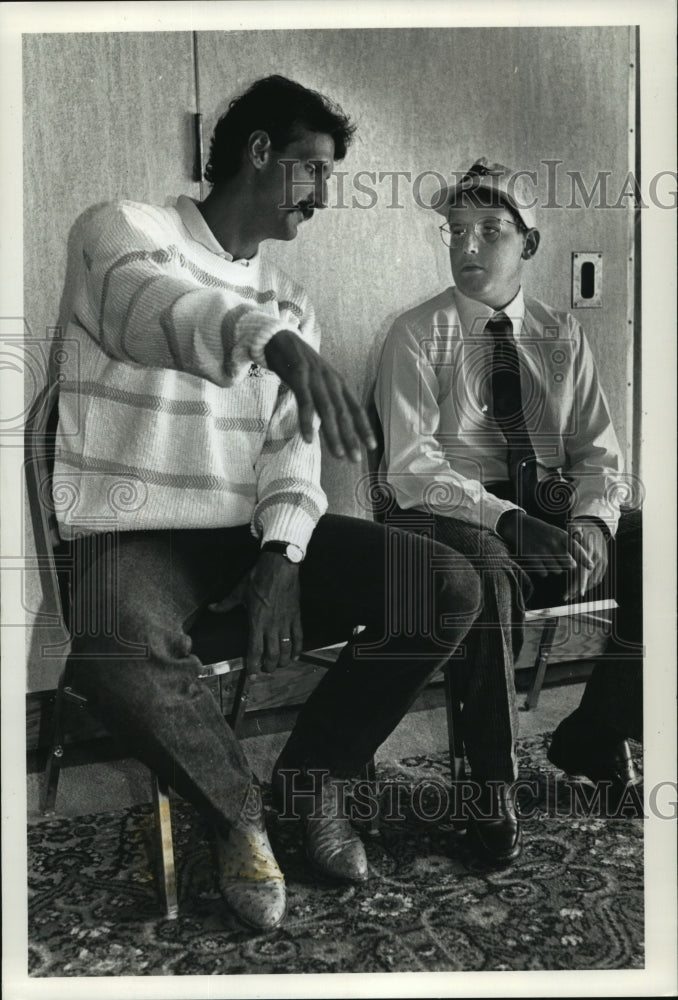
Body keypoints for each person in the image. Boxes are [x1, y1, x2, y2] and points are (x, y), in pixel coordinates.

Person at [52, 76, 483, 932]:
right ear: (258, 154)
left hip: (246, 534)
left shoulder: (293, 302)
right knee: (110, 638)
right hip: (131, 535)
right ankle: (238, 814)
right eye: (313, 171)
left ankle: (311, 782)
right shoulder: (122, 229)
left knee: (445, 585)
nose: (324, 196)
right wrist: (269, 342)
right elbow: (155, 310)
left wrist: (283, 555)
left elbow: (295, 455)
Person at [375, 158, 643, 859]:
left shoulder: (562, 336)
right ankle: (489, 785)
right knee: (489, 571)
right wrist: (504, 517)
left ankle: (597, 731)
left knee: (657, 547)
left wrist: (590, 521)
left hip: (545, 506)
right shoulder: (412, 335)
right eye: (454, 230)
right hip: (443, 514)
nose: (467, 246)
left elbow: (597, 453)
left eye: (489, 229)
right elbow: (409, 469)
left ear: (528, 243)